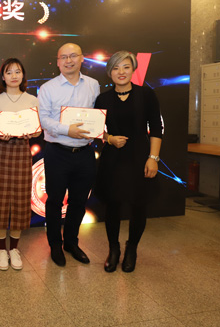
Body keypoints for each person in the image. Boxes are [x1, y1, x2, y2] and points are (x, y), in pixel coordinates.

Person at [95, 50, 162, 273]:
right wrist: (110, 139)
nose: (121, 72)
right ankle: (113, 249)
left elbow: (156, 128)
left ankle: (132, 248)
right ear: (109, 73)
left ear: (133, 69)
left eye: (125, 67)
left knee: (138, 206)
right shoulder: (103, 99)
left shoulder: (146, 95)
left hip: (140, 157)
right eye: (115, 68)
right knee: (112, 206)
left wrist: (153, 158)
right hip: (113, 158)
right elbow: (96, 130)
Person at [38, 42, 100, 267]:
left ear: (82, 58)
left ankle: (71, 242)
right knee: (55, 201)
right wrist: (67, 130)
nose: (68, 60)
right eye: (63, 57)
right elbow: (44, 119)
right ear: (57, 62)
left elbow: (98, 115)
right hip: (57, 152)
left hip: (85, 152)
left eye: (73, 56)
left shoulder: (93, 85)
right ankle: (55, 244)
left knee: (79, 201)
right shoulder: (48, 88)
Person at [0, 58, 40, 271]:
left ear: (23, 75)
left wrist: (32, 133)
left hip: (22, 152)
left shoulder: (32, 100)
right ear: (2, 77)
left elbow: (38, 130)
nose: (14, 76)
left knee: (19, 200)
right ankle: (1, 250)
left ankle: (14, 249)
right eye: (9, 72)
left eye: (18, 71)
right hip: (0, 151)